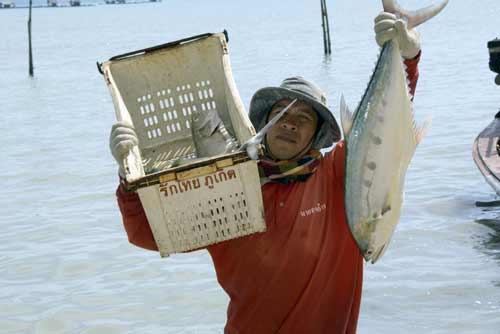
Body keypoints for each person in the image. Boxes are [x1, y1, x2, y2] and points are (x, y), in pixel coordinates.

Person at [109, 12, 421, 334]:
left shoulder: (339, 178)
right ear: (265, 125)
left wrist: (406, 55)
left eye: (304, 117)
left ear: (317, 137)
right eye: (281, 113)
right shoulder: (227, 188)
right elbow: (146, 234)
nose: (290, 123)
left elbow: (384, 129)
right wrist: (126, 175)